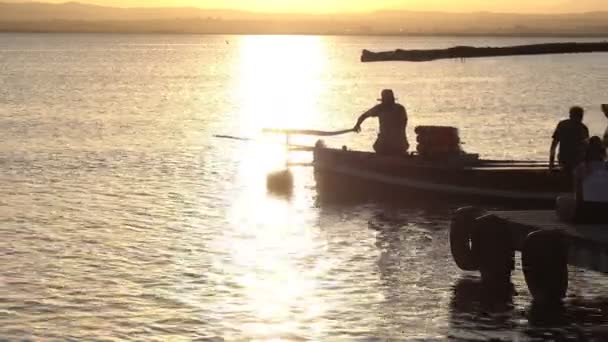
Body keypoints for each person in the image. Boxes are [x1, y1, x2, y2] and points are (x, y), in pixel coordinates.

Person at [556, 136, 608, 223]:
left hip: (586, 213)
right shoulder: (606, 167)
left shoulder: (581, 168)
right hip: (606, 213)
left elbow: (578, 196)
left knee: (560, 200)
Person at [353, 89, 409, 155]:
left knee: (378, 146)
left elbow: (364, 116)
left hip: (388, 143)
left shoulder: (381, 108)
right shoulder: (400, 108)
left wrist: (357, 125)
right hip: (400, 143)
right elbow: (404, 123)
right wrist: (357, 125)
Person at [549, 106, 589, 175]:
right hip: (577, 161)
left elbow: (553, 145)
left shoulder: (562, 125)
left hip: (563, 159)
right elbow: (587, 148)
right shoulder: (583, 128)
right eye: (580, 115)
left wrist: (551, 164)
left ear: (570, 115)